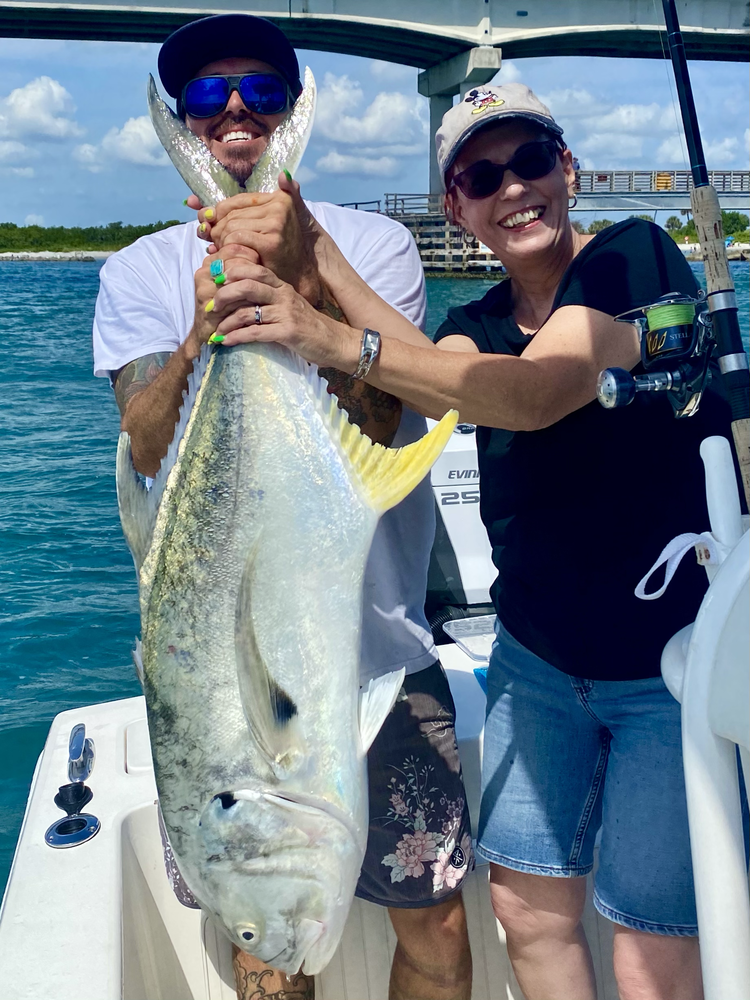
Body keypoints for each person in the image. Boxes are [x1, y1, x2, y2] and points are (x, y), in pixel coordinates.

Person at [204, 81, 742, 1000]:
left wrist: (329, 337)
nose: (512, 188)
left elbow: (534, 392)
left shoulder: (633, 262)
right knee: (529, 918)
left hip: (670, 670)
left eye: (531, 160)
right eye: (481, 176)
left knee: (652, 948)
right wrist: (308, 247)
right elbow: (425, 373)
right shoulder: (475, 326)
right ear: (457, 205)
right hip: (537, 665)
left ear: (568, 169)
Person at [92, 14, 473, 1000]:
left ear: (290, 113)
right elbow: (143, 437)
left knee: (434, 920)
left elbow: (389, 415)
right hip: (219, 679)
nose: (233, 113)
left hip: (382, 651)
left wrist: (302, 282)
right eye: (208, 96)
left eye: (260, 94)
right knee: (265, 941)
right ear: (183, 118)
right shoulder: (138, 271)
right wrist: (202, 333)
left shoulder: (374, 247)